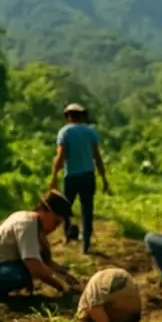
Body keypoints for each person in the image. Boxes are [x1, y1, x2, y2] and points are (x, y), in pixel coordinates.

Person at [0, 190, 82, 297]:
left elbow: (45, 261)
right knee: (21, 275)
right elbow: (34, 266)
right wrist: (61, 286)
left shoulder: (34, 225)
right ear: (44, 212)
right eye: (55, 222)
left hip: (5, 265)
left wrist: (66, 276)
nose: (55, 228)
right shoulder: (27, 225)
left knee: (29, 271)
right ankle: (1, 292)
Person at [49, 103, 109, 254]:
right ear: (82, 116)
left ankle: (67, 236)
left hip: (71, 177)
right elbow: (97, 156)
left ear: (68, 116)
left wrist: (54, 177)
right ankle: (86, 243)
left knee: (65, 207)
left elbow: (60, 156)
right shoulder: (90, 132)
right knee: (87, 209)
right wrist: (104, 178)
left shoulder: (64, 132)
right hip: (88, 176)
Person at [76, 267, 142, 322]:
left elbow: (93, 308)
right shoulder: (122, 275)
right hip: (126, 318)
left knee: (89, 316)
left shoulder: (97, 281)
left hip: (119, 315)